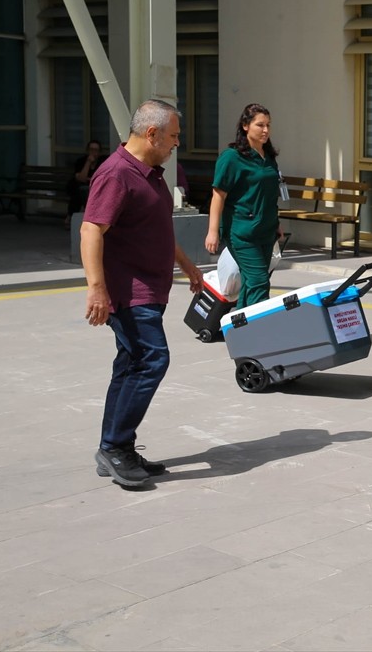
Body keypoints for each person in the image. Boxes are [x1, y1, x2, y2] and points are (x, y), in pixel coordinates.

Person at [80, 99, 203, 488]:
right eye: (174, 137)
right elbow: (90, 230)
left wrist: (186, 265)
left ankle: (116, 447)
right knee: (153, 360)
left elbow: (157, 226)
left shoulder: (149, 173)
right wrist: (97, 290)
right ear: (152, 133)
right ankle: (115, 448)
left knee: (132, 364)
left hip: (149, 288)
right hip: (127, 292)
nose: (176, 144)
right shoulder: (116, 174)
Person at [204, 104, 283, 307]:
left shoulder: (268, 156)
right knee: (259, 281)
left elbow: (268, 193)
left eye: (268, 125)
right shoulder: (232, 157)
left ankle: (238, 330)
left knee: (250, 283)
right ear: (245, 126)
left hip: (266, 229)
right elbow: (218, 195)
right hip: (242, 232)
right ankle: (258, 331)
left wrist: (276, 223)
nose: (266, 130)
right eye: (260, 125)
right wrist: (212, 231)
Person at [66, 140, 106, 229]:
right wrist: (88, 162)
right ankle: (78, 216)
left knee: (82, 191)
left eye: (96, 150)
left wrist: (88, 179)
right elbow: (82, 178)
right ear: (87, 150)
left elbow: (101, 179)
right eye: (91, 150)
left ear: (99, 152)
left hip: (97, 188)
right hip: (82, 188)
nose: (93, 152)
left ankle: (70, 217)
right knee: (80, 191)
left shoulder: (102, 162)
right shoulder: (81, 161)